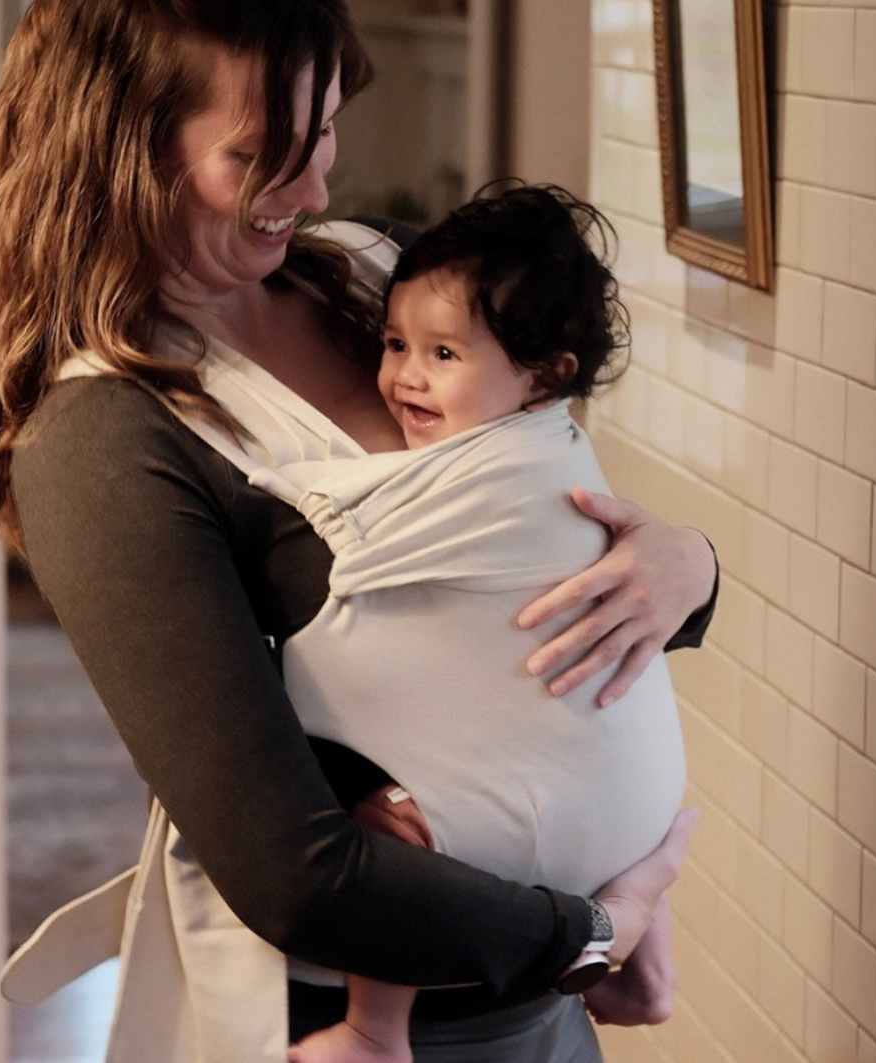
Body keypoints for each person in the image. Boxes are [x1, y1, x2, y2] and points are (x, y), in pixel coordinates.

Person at [0, 2, 719, 1059]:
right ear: (122, 149)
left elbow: (527, 540)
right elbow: (294, 870)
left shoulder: (368, 277)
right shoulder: (104, 437)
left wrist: (687, 567)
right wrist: (591, 933)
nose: (313, 193)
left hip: (541, 1013)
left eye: (320, 141)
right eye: (259, 156)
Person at [278, 185, 686, 1063]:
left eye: (444, 352)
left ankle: (373, 1030)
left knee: (391, 821)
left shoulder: (498, 471)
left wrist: (265, 489)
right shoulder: (552, 442)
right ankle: (636, 931)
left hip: (507, 833)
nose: (405, 375)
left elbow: (347, 522)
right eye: (395, 344)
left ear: (546, 374)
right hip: (619, 816)